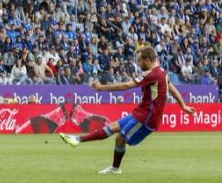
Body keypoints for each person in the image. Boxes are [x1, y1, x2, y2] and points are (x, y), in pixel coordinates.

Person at [59, 47, 196, 174]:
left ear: (148, 61)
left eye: (140, 60)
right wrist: (183, 105)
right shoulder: (162, 72)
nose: (139, 63)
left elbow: (126, 85)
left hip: (147, 117)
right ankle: (77, 139)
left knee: (120, 138)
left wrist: (101, 88)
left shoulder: (151, 74)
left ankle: (115, 168)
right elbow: (172, 88)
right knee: (112, 127)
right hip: (141, 111)